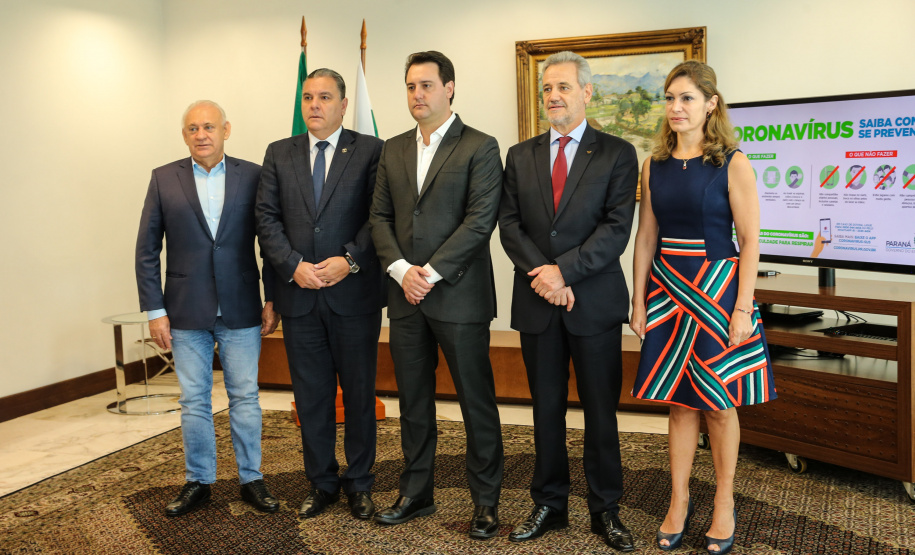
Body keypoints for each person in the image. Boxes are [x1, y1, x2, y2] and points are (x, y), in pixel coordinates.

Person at [629, 61, 776, 555]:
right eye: (670, 98)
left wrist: (742, 308)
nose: (676, 107)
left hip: (717, 289)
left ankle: (724, 503)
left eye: (687, 98)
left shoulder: (733, 161)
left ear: (710, 104)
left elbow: (751, 241)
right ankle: (678, 500)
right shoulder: (654, 164)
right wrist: (637, 298)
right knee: (679, 402)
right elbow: (646, 234)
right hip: (668, 290)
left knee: (718, 403)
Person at [498, 51, 639, 552]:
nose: (553, 96)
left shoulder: (618, 153)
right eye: (546, 89)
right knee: (546, 409)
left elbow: (617, 229)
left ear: (587, 93)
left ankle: (606, 510)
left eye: (562, 87)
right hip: (538, 301)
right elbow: (509, 225)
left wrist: (566, 271)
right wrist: (546, 276)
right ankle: (550, 504)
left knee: (601, 412)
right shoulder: (520, 155)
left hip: (593, 303)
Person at [369, 50, 504, 539]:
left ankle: (486, 502)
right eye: (410, 86)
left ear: (450, 88)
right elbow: (379, 218)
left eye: (426, 85)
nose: (417, 95)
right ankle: (415, 493)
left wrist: (430, 272)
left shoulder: (481, 146)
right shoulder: (393, 148)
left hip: (460, 297)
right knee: (414, 401)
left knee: (476, 402)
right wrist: (403, 271)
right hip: (405, 296)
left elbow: (480, 221)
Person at [135, 100, 280, 517]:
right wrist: (154, 311)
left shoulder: (253, 176)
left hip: (241, 308)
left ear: (226, 130)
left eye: (209, 127)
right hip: (184, 312)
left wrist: (273, 297)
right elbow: (147, 251)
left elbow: (269, 243)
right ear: (185, 135)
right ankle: (199, 481)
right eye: (193, 128)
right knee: (194, 400)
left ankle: (252, 479)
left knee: (246, 398)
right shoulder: (164, 179)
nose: (201, 134)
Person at [255, 68, 384, 520]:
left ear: (344, 105)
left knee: (359, 393)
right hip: (300, 297)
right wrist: (293, 266)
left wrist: (348, 260)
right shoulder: (278, 153)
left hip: (354, 296)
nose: (314, 105)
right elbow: (266, 219)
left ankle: (361, 483)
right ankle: (322, 482)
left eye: (325, 97)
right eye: (308, 97)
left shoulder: (370, 150)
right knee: (311, 396)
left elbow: (379, 217)